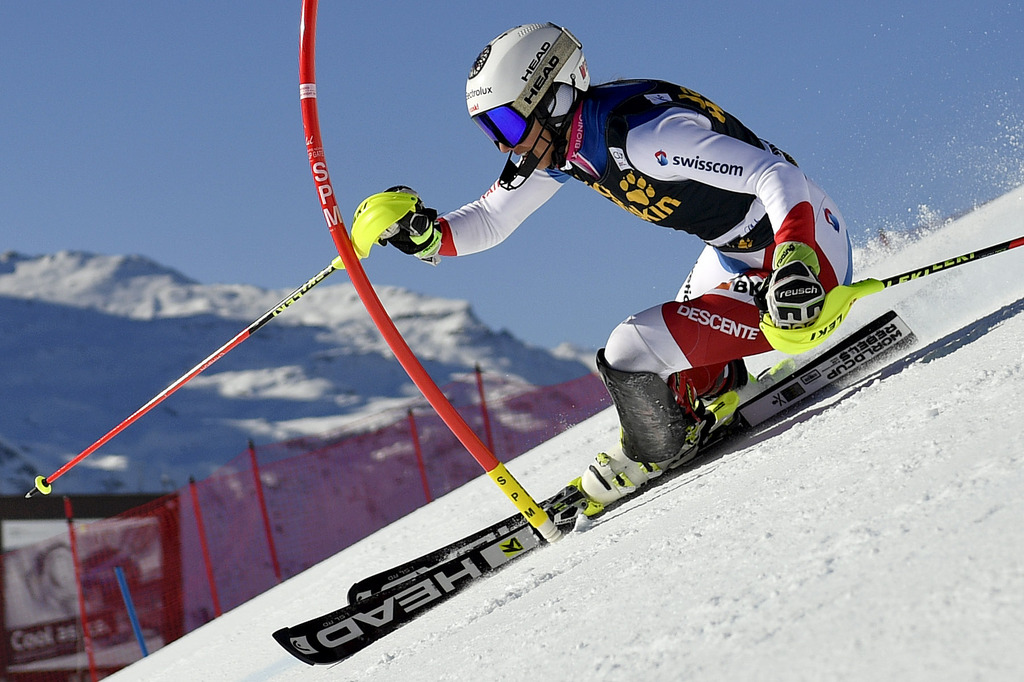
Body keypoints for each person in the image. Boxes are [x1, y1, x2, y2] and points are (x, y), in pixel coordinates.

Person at [366, 22, 852, 511]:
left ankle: (657, 450)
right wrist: (424, 234)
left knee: (630, 350)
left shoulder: (644, 139)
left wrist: (795, 261)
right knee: (664, 354)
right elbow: (492, 219)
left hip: (807, 261)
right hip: (742, 257)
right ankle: (719, 386)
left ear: (554, 99)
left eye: (507, 126)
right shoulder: (568, 146)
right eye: (488, 130)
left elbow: (776, 174)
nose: (502, 146)